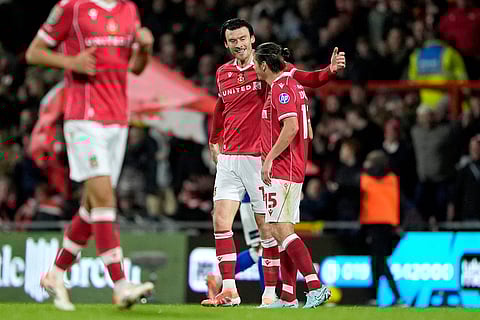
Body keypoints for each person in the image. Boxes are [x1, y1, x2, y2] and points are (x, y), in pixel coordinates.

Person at [202, 18, 345, 307]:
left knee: (269, 230)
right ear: (227, 44)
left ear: (252, 38)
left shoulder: (268, 65)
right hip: (229, 157)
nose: (238, 44)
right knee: (220, 222)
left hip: (260, 159)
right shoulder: (223, 73)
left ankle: (272, 294)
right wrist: (214, 138)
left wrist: (329, 71)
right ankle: (229, 290)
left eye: (242, 38)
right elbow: (220, 107)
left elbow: (306, 79)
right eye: (232, 40)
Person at [25, 0, 154, 311]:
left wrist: (146, 49)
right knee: (105, 198)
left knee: (92, 206)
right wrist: (72, 63)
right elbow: (34, 52)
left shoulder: (129, 10)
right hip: (83, 119)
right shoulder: (72, 7)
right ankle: (121, 285)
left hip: (117, 119)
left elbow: (134, 67)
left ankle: (55, 274)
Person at [254, 42, 332, 309]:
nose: (254, 68)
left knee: (279, 229)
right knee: (282, 231)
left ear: (264, 65)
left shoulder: (281, 87)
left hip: (284, 168)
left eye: (255, 63)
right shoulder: (288, 84)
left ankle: (315, 286)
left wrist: (270, 159)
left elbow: (291, 128)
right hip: (290, 168)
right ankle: (288, 296)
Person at [360, 150, 406, 306]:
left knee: (378, 261)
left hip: (374, 224)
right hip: (387, 224)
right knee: (378, 261)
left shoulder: (366, 179)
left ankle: (385, 296)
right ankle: (385, 296)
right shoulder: (392, 179)